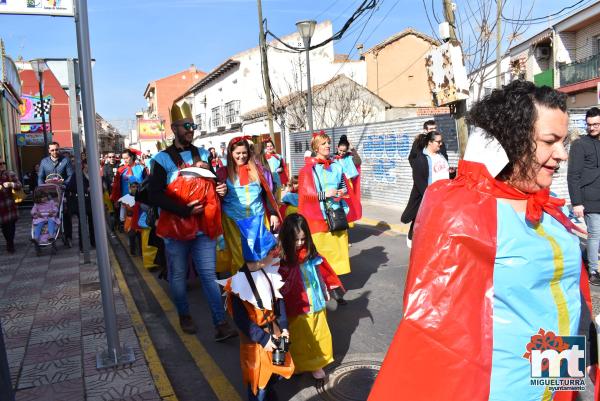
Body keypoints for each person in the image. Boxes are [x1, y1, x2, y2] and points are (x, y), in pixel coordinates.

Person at [369, 81, 597, 401]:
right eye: (550, 141)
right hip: (506, 388)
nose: (561, 154)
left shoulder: (548, 202)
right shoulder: (462, 210)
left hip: (558, 370)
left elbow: (564, 295)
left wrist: (584, 360)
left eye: (563, 141)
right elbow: (432, 332)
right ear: (512, 141)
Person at [146, 101, 236, 340]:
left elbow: (215, 182)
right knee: (177, 275)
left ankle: (220, 322)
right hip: (176, 230)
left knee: (208, 274)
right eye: (186, 126)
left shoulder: (204, 154)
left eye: (192, 125)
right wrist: (183, 210)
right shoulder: (161, 160)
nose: (190, 129)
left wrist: (221, 189)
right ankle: (184, 314)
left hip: (203, 229)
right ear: (174, 128)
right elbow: (153, 195)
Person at [217, 245, 294, 401]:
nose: (275, 254)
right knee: (258, 381)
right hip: (255, 341)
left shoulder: (268, 272)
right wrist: (263, 339)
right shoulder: (238, 285)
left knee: (276, 372)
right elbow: (242, 321)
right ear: (258, 258)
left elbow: (279, 302)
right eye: (270, 252)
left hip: (274, 332)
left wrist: (284, 326)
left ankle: (270, 393)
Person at [298, 132, 361, 305]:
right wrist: (325, 194)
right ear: (316, 147)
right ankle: (325, 290)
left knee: (337, 256)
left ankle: (335, 289)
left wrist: (341, 193)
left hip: (336, 216)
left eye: (328, 143)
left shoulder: (338, 166)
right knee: (321, 257)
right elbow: (304, 197)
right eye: (324, 143)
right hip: (317, 220)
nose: (327, 146)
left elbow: (344, 188)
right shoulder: (307, 170)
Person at [278, 213, 342, 380]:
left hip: (315, 300)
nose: (299, 243)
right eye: (295, 239)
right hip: (296, 305)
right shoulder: (281, 258)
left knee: (318, 334)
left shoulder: (310, 252)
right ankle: (298, 364)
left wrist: (326, 289)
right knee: (299, 337)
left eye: (302, 239)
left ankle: (316, 364)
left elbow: (321, 272)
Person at [217, 136, 281, 273]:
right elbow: (215, 197)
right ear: (230, 154)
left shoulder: (258, 170)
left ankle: (263, 286)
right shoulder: (222, 173)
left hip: (258, 219)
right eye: (237, 153)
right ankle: (241, 290)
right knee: (239, 256)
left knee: (261, 253)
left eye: (244, 153)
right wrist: (220, 193)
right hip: (233, 221)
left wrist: (274, 214)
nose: (241, 156)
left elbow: (267, 193)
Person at [400, 130, 450, 248]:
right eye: (438, 142)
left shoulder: (441, 155)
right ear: (430, 142)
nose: (440, 144)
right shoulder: (421, 159)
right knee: (421, 220)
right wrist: (430, 196)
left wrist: (452, 173)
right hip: (429, 197)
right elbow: (419, 181)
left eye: (441, 141)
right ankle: (413, 237)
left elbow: (444, 172)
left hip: (443, 196)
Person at [568, 106, 600, 285]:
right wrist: (577, 202)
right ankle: (594, 271)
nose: (592, 127)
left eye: (596, 124)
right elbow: (573, 175)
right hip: (588, 198)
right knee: (595, 233)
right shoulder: (580, 144)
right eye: (589, 124)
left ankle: (587, 256)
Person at [38, 142, 73, 246]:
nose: (55, 152)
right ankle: (49, 235)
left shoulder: (65, 161)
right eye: (52, 150)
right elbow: (40, 176)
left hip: (62, 192)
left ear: (59, 149)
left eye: (56, 149)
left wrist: (65, 184)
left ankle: (68, 237)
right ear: (49, 150)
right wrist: (41, 187)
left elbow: (71, 175)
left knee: (65, 214)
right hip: (49, 193)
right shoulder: (44, 162)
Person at [67, 161, 96, 252]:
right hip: (81, 202)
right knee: (82, 224)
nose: (88, 168)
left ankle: (94, 242)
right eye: (87, 166)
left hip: (92, 202)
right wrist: (85, 189)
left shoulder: (94, 174)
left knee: (93, 224)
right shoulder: (77, 175)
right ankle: (82, 246)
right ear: (83, 166)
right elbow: (70, 187)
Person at [0, 160, 22, 254]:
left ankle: (10, 243)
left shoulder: (10, 174)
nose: (2, 165)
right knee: (5, 227)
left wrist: (11, 184)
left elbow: (19, 185)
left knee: (10, 225)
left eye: (3, 163)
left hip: (9, 205)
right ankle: (9, 242)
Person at [102, 152, 119, 230]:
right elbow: (104, 179)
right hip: (110, 191)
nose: (112, 158)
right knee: (112, 209)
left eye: (113, 156)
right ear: (107, 158)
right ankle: (114, 224)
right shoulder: (105, 167)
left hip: (119, 190)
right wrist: (106, 190)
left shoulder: (119, 165)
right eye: (110, 157)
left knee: (118, 208)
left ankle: (119, 224)